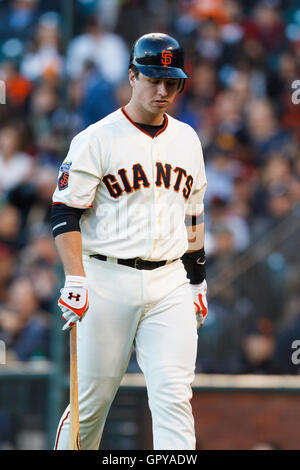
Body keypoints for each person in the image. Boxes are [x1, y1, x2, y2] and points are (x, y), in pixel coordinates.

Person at [51, 32, 208, 450]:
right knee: (90, 404)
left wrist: (197, 279)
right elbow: (65, 212)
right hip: (106, 278)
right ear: (132, 77)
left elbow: (193, 214)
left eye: (171, 82)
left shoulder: (187, 139)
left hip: (169, 283)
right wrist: (76, 278)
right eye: (153, 79)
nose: (162, 90)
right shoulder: (96, 139)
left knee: (175, 398)